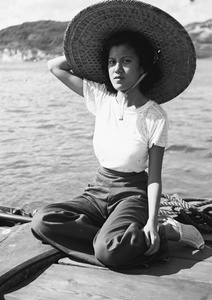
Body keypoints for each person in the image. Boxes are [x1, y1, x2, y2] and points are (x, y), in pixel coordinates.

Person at [31, 0, 204, 269]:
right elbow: (55, 66)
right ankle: (113, 238)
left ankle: (165, 231)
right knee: (44, 219)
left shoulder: (154, 116)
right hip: (97, 190)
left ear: (143, 68)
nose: (116, 70)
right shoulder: (100, 96)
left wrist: (150, 220)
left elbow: (155, 177)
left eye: (126, 61)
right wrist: (90, 49)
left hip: (132, 193)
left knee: (109, 252)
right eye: (111, 62)